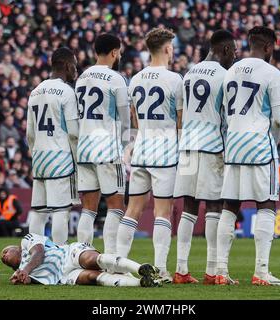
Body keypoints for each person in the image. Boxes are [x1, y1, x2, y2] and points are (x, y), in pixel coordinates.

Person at [217, 26, 280, 286]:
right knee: (267, 204)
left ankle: (221, 272)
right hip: (260, 145)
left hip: (234, 144)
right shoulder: (272, 73)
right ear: (269, 47)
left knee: (230, 207)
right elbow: (278, 121)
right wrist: (274, 144)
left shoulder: (231, 71)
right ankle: (261, 271)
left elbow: (224, 113)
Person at [116, 27, 183, 282]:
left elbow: (135, 119)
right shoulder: (175, 79)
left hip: (142, 149)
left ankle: (119, 262)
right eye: (172, 47)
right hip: (165, 153)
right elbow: (180, 120)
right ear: (167, 48)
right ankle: (160, 269)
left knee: (132, 209)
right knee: (162, 212)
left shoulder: (135, 78)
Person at [172, 30, 237, 285]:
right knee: (213, 206)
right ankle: (212, 271)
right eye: (234, 51)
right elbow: (228, 116)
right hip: (211, 146)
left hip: (187, 144)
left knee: (188, 207)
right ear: (226, 50)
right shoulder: (225, 75)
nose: (235, 56)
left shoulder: (189, 73)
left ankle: (181, 270)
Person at [75, 33, 129, 254]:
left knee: (88, 209)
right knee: (116, 207)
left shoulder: (81, 78)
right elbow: (125, 121)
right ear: (115, 52)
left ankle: (81, 255)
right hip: (107, 148)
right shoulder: (116, 79)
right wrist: (125, 148)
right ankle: (111, 258)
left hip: (84, 148)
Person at [26, 47, 80, 245]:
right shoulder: (67, 92)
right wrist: (77, 160)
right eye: (74, 64)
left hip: (39, 157)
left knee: (39, 212)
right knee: (60, 211)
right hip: (60, 157)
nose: (76, 69)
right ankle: (60, 256)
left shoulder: (35, 91)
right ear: (67, 65)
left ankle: (31, 254)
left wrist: (35, 153)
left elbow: (29, 133)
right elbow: (74, 133)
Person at [0, 233, 162, 287]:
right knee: (93, 277)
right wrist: (26, 279)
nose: (4, 257)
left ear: (16, 248)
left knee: (92, 259)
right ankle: (141, 283)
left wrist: (25, 270)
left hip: (68, 253)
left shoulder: (26, 241)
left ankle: (141, 268)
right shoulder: (20, 271)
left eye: (5, 251)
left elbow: (39, 252)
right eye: (3, 260)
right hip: (63, 277)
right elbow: (39, 279)